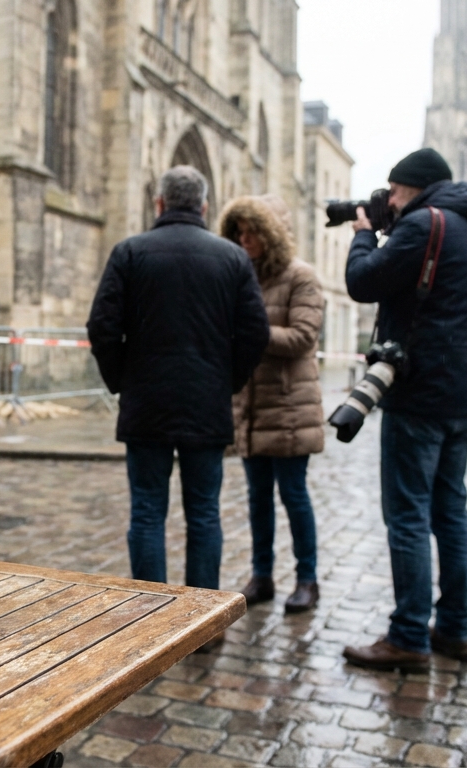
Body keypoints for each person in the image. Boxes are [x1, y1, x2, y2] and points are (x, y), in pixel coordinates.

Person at [340, 148, 467, 670]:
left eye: (394, 190)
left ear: (412, 188)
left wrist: (364, 232)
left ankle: (408, 636)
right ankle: (453, 629)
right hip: (466, 395)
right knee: (450, 512)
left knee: (407, 515)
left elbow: (363, 282)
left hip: (420, 394)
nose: (389, 199)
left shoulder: (423, 223)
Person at [86, 166, 270, 600]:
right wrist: (227, 381)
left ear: (159, 203)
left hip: (146, 402)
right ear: (204, 207)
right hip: (206, 403)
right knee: (204, 513)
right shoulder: (232, 258)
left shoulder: (130, 252)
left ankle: (154, 616)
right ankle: (202, 620)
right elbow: (255, 333)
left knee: (148, 512)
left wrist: (121, 381)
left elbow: (102, 327)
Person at [219, 195, 325, 614]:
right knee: (257, 498)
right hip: (252, 406)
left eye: (252, 233)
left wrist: (250, 331)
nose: (245, 240)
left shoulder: (302, 277)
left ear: (270, 234)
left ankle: (307, 579)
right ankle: (261, 575)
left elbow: (302, 336)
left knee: (294, 496)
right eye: (239, 233)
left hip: (289, 407)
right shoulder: (239, 276)